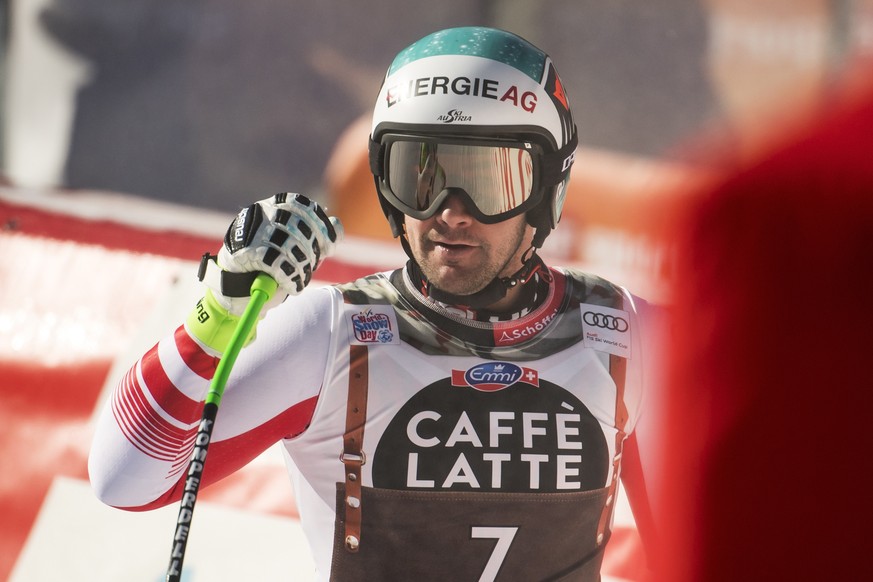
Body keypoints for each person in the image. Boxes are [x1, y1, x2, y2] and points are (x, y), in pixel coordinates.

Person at [89, 26, 664, 581]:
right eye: (421, 175)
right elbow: (124, 479)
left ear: (546, 189)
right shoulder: (332, 332)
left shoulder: (625, 334)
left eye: (489, 179)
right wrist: (222, 307)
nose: (451, 211)